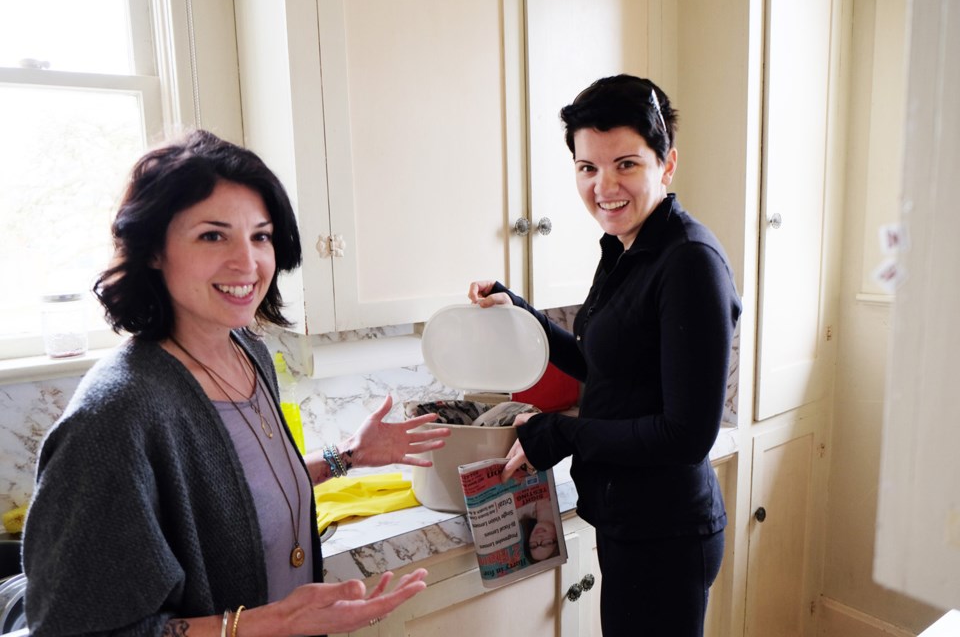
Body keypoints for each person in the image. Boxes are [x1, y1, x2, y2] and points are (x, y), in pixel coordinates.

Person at [22, 129, 450, 637]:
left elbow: (234, 500)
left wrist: (348, 456)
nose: (247, 263)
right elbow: (73, 631)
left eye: (260, 236)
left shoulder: (248, 353)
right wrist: (261, 623)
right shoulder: (116, 416)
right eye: (212, 235)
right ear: (153, 250)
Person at [468, 74, 741, 636]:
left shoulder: (688, 261)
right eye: (587, 168)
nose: (603, 186)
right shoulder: (626, 247)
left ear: (666, 165)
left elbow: (687, 435)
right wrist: (521, 314)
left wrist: (563, 435)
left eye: (626, 164)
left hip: (667, 536)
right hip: (631, 523)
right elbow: (606, 363)